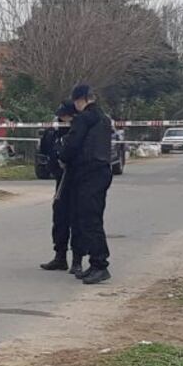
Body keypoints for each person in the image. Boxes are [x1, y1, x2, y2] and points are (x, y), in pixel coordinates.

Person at [59, 85, 114, 285]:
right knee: (93, 217)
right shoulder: (104, 118)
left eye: (76, 101)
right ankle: (94, 263)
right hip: (102, 171)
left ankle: (100, 264)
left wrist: (62, 157)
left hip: (88, 172)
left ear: (81, 99)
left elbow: (72, 144)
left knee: (89, 220)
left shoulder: (84, 119)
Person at [39, 101, 84, 275]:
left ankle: (77, 261)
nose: (61, 119)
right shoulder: (56, 131)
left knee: (77, 220)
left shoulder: (79, 132)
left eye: (64, 116)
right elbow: (45, 149)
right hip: (61, 180)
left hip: (77, 180)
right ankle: (60, 256)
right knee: (60, 218)